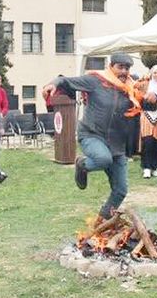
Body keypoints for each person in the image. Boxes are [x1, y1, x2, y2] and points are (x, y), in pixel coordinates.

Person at [42, 52, 139, 218]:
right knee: (103, 159)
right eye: (120, 67)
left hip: (117, 144)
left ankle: (102, 222)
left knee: (121, 190)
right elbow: (67, 81)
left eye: (127, 68)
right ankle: (82, 164)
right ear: (111, 66)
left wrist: (153, 99)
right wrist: (54, 83)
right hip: (92, 135)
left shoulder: (131, 88)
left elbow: (147, 105)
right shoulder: (96, 81)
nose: (124, 71)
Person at [136, 65, 157, 179]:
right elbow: (134, 85)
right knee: (147, 140)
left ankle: (154, 167)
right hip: (146, 114)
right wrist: (142, 78)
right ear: (151, 73)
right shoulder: (145, 83)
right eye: (155, 72)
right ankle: (146, 167)